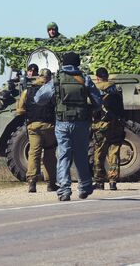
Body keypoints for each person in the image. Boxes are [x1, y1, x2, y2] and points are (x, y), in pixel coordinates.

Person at [34, 52, 103, 201]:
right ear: (77, 63)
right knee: (81, 156)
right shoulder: (84, 79)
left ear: (63, 63)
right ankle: (84, 186)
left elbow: (38, 99)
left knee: (64, 155)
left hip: (62, 123)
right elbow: (98, 101)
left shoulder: (57, 79)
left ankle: (64, 190)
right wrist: (89, 110)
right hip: (81, 123)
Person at [15, 68, 57, 193]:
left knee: (34, 154)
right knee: (50, 154)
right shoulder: (52, 91)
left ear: (39, 76)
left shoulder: (27, 92)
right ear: (49, 78)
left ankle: (32, 183)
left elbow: (20, 110)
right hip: (49, 127)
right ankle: (51, 184)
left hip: (33, 127)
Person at [91, 67, 125, 191]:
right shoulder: (116, 88)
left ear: (97, 77)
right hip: (116, 124)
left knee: (99, 153)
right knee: (114, 153)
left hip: (101, 125)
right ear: (107, 76)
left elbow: (91, 106)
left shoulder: (95, 89)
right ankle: (113, 181)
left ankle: (99, 181)